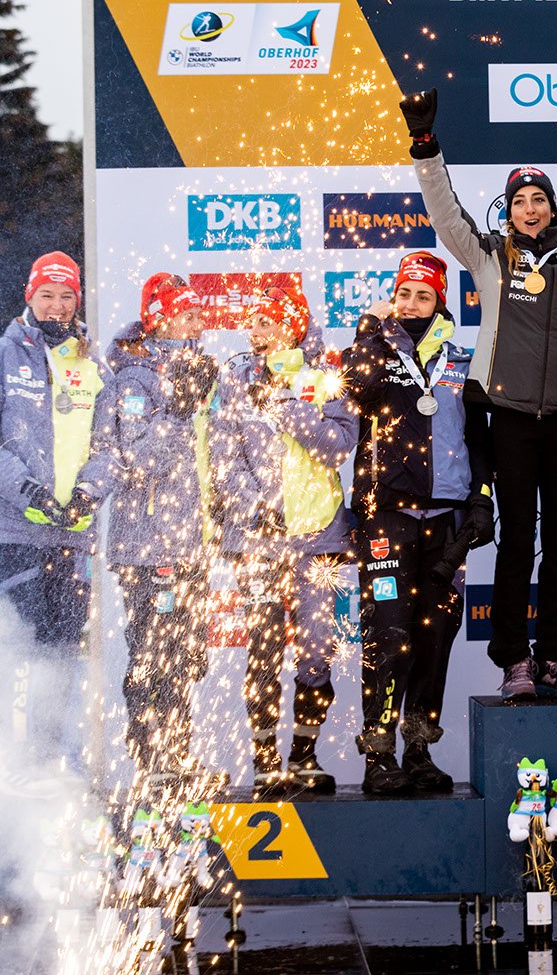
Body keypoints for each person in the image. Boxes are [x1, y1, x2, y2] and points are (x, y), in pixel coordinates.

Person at [401, 87, 557, 700]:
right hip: (511, 417)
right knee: (518, 539)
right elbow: (447, 215)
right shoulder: (491, 257)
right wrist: (426, 148)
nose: (530, 208)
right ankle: (514, 660)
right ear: (509, 211)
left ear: (551, 206)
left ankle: (553, 659)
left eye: (538, 199)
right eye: (519, 200)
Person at [341, 252, 494, 794]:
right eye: (403, 294)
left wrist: (481, 498)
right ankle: (378, 756)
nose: (410, 304)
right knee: (389, 635)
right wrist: (369, 327)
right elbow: (354, 387)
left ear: (439, 303)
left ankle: (419, 748)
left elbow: (479, 435)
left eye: (422, 295)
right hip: (387, 516)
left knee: (435, 636)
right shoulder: (373, 349)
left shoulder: (460, 356)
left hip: (447, 519)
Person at [209, 284, 356, 796]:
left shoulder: (327, 372)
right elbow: (223, 454)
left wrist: (290, 404)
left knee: (317, 649)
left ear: (291, 326)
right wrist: (256, 508)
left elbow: (339, 447)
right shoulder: (234, 376)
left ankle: (305, 756)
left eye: (267, 321)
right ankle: (266, 760)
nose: (256, 332)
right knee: (265, 647)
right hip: (259, 540)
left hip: (319, 537)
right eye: (252, 322)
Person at [0, 252, 113, 778]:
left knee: (66, 650)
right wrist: (27, 491)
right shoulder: (6, 353)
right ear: (30, 295)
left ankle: (51, 765)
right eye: (47, 294)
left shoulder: (92, 364)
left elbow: (110, 444)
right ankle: (17, 766)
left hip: (73, 536)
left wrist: (90, 492)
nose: (57, 305)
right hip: (17, 531)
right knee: (20, 650)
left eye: (67, 296)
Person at [103, 274, 218, 787]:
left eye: (198, 314)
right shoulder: (134, 379)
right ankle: (151, 759)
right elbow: (137, 457)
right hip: (148, 546)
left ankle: (178, 754)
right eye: (186, 315)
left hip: (190, 541)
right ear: (159, 319)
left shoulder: (200, 369)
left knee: (186, 657)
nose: (197, 323)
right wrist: (178, 410)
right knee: (152, 654)